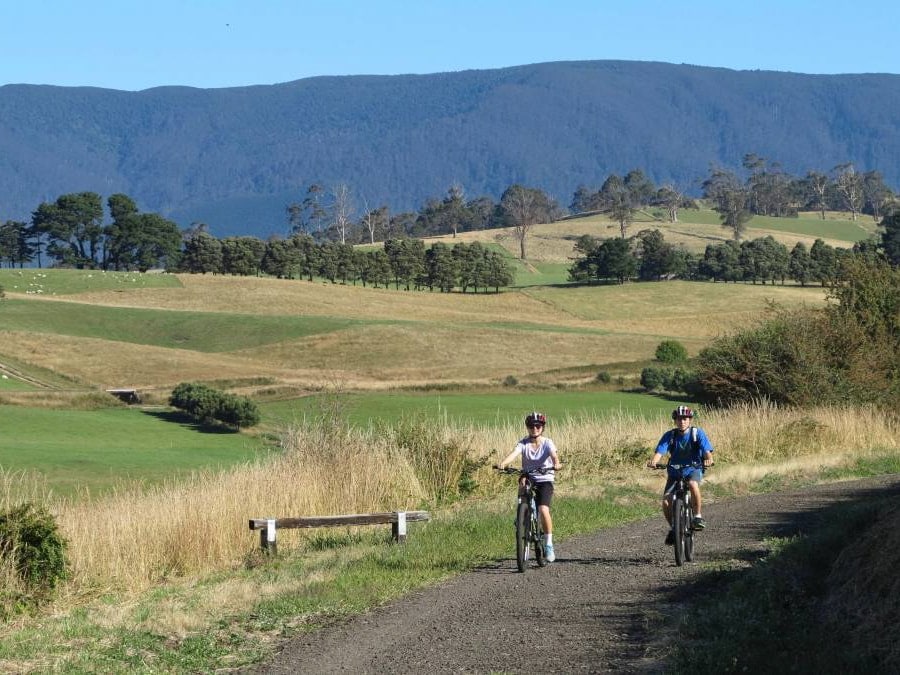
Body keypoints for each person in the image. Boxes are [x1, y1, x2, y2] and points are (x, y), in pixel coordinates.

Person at [495, 411, 562, 562]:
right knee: (522, 481)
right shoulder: (523, 443)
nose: (535, 428)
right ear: (527, 427)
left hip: (545, 479)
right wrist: (503, 464)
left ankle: (549, 543)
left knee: (543, 509)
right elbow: (514, 453)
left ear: (542, 427)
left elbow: (554, 456)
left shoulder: (547, 443)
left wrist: (556, 464)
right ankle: (521, 515)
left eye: (538, 426)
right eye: (531, 426)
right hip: (530, 477)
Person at [647, 405, 714, 545]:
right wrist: (654, 461)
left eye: (685, 419)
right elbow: (660, 452)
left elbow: (707, 450)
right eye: (679, 419)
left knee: (692, 484)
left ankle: (697, 517)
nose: (682, 421)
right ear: (675, 420)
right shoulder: (670, 435)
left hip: (693, 468)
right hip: (675, 471)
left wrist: (709, 459)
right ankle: (674, 528)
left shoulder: (697, 433)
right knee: (666, 501)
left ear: (690, 420)